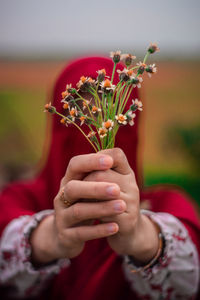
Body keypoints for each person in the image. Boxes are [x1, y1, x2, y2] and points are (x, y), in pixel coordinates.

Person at [0, 56, 199, 300]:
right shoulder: (17, 199)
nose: (94, 133)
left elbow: (190, 274)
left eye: (117, 118)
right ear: (57, 124)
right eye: (78, 116)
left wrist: (143, 238)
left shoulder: (168, 204)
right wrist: (48, 237)